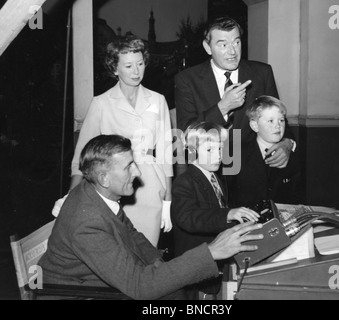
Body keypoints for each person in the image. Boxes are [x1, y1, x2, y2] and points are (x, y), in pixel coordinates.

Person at [38, 134, 263, 300]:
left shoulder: (97, 192)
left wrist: (158, 265)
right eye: (129, 167)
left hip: (94, 283)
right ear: (104, 178)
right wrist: (211, 251)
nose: (137, 172)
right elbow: (139, 286)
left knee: (173, 289)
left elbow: (132, 236)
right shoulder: (87, 222)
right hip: (77, 293)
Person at [59, 35, 174, 247]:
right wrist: (70, 196)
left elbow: (166, 154)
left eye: (140, 64)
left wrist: (168, 200)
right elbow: (82, 156)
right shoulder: (101, 103)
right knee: (118, 254)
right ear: (114, 69)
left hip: (150, 188)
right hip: (114, 187)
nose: (136, 71)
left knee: (147, 256)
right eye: (129, 65)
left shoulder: (158, 100)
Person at [174, 17, 295, 175]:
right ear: (208, 47)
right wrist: (223, 107)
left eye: (236, 42)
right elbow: (187, 133)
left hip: (253, 171)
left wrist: (287, 142)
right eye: (223, 44)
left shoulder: (261, 73)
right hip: (208, 171)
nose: (232, 51)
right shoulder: (187, 80)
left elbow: (277, 117)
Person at [171, 121, 260, 300]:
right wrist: (227, 214)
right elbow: (188, 218)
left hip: (214, 262)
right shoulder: (185, 181)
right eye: (210, 150)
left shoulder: (216, 177)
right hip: (196, 262)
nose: (218, 156)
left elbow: (220, 208)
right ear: (192, 151)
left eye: (220, 149)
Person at [229, 96, 302, 208]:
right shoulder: (236, 154)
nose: (278, 125)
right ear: (255, 125)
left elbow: (295, 198)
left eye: (281, 120)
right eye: (271, 121)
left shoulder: (291, 155)